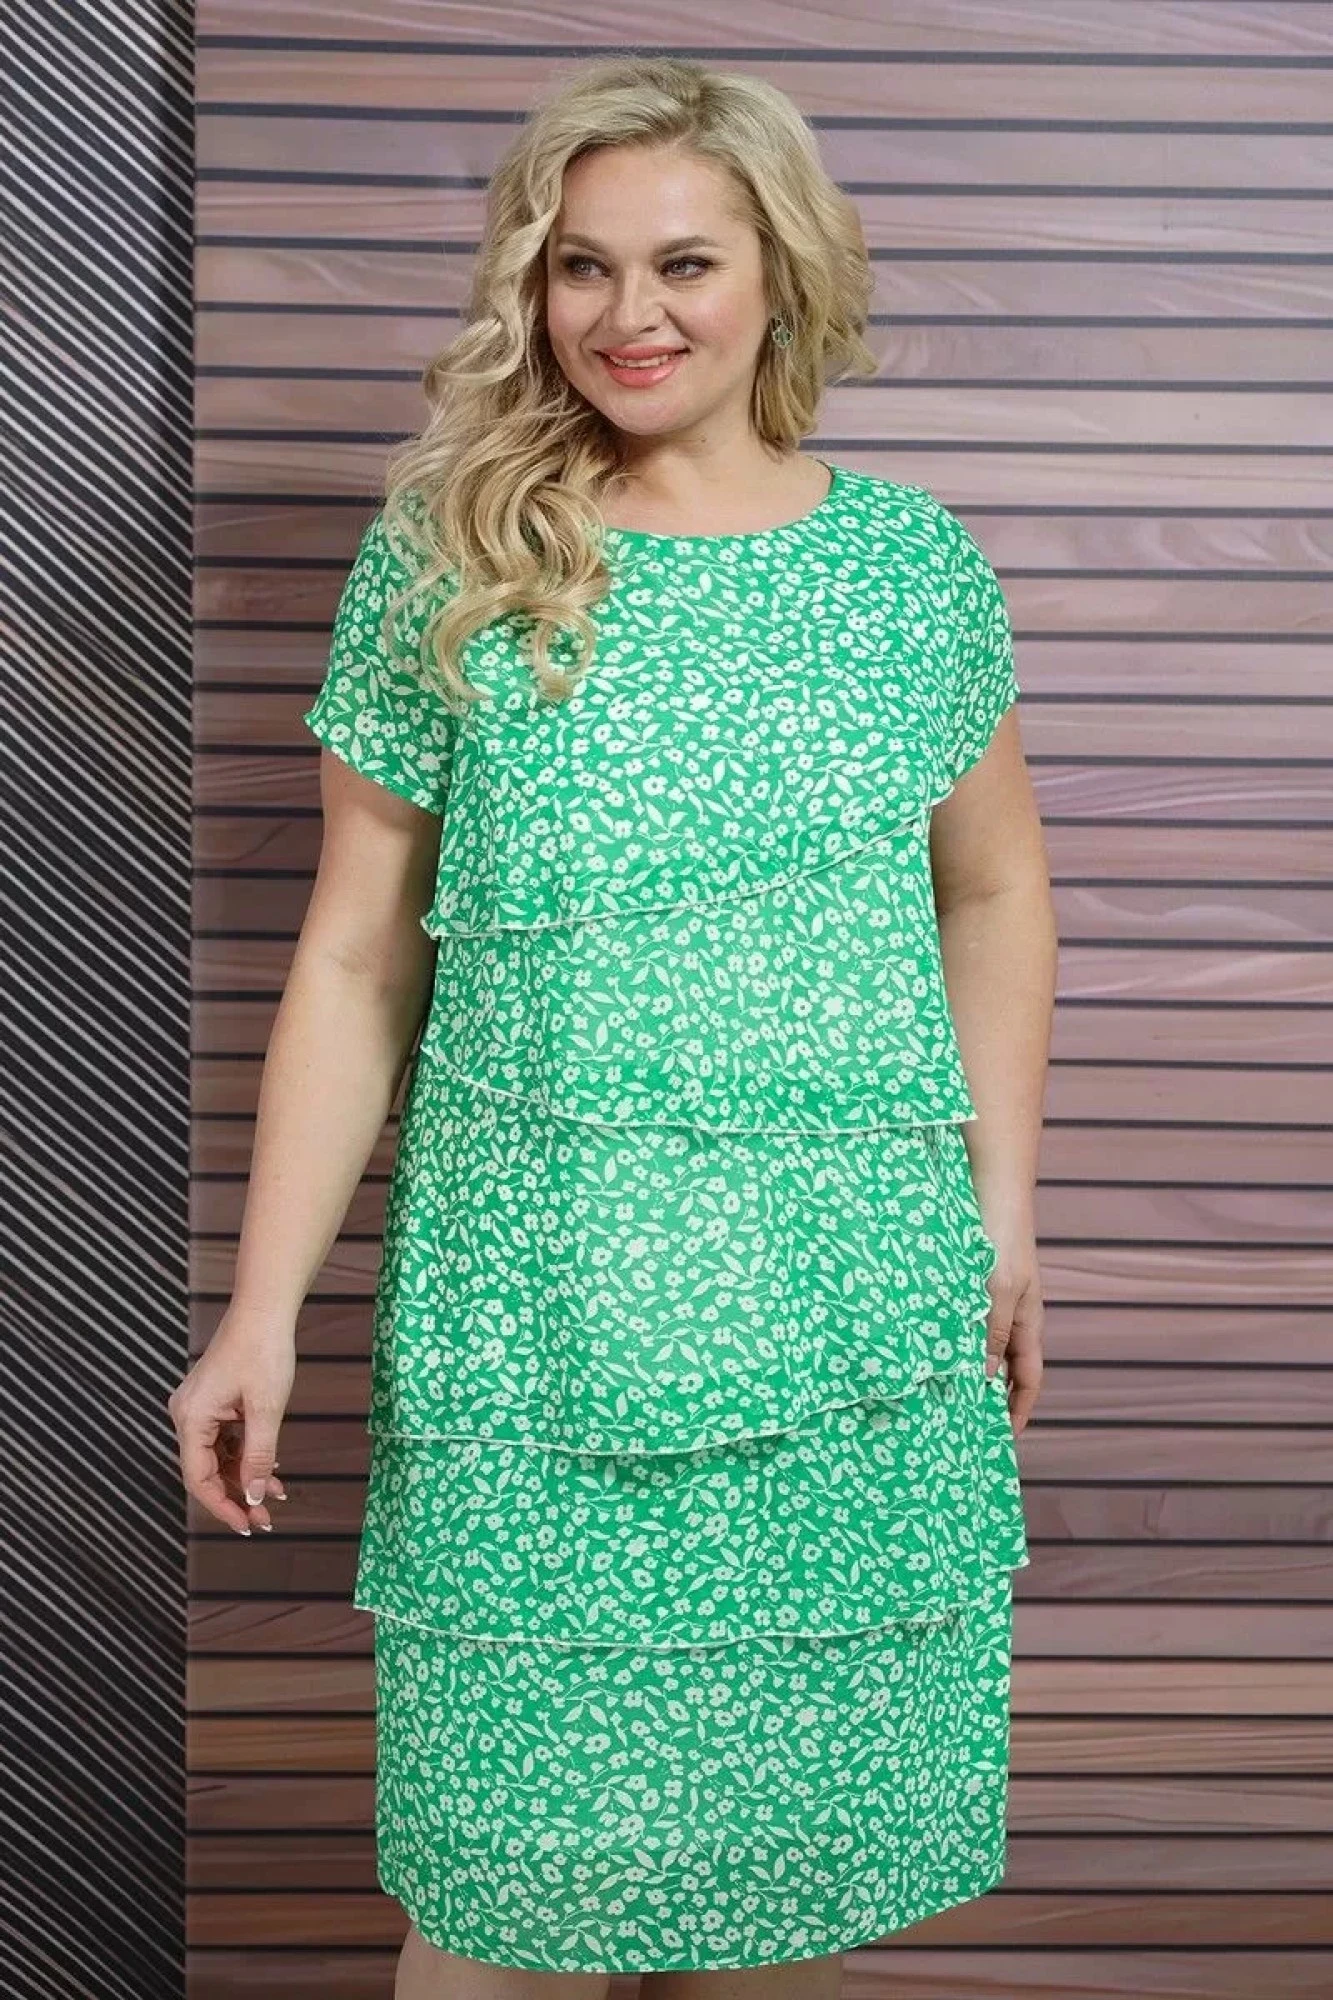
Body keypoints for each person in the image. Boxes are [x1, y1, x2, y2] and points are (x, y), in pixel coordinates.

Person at [168, 52, 1055, 2000]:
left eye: (683, 263)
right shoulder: (457, 552)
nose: (627, 313)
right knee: (502, 1919)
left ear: (780, 273)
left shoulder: (910, 572)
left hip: (845, 1333)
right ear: (532, 282)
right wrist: (260, 1312)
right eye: (582, 265)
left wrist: (1000, 1213)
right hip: (537, 1332)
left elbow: (993, 892)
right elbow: (354, 957)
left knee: (779, 1909)